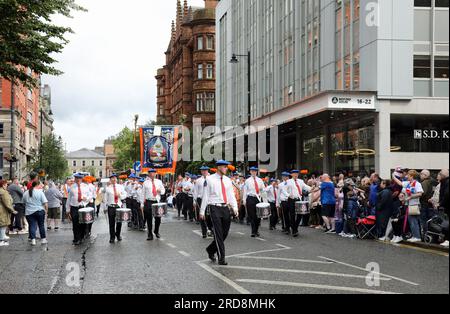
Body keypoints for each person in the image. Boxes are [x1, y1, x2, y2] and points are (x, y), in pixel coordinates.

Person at [200, 160, 238, 266]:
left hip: (225, 208)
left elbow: (231, 195)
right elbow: (206, 196)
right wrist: (202, 211)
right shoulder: (209, 179)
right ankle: (222, 257)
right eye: (225, 167)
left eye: (227, 167)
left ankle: (211, 249)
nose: (226, 169)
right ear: (219, 167)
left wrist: (235, 208)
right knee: (218, 233)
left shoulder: (227, 180)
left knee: (224, 233)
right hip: (214, 207)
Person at [393, 170, 424, 243]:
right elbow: (400, 183)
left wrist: (410, 197)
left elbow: (420, 193)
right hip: (409, 204)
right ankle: (415, 236)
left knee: (413, 221)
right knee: (411, 221)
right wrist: (393, 176)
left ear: (412, 176)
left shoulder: (417, 184)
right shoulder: (409, 183)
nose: (406, 176)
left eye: (408, 175)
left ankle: (417, 237)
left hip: (414, 205)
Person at [141, 169, 166, 241]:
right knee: (149, 219)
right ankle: (150, 234)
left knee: (158, 218)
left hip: (157, 201)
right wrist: (142, 204)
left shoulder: (159, 181)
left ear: (155, 174)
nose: (152, 174)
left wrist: (160, 191)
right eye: (151, 173)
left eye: (154, 173)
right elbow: (143, 194)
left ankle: (156, 231)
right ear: (148, 174)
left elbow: (163, 191)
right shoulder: (145, 183)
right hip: (149, 202)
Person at [103, 174, 127, 244]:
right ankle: (112, 237)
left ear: (116, 179)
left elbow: (125, 195)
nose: (114, 179)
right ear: (110, 180)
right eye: (112, 178)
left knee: (119, 222)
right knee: (111, 223)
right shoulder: (107, 188)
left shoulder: (121, 187)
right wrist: (105, 208)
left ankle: (118, 234)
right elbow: (105, 199)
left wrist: (120, 195)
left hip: (118, 206)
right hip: (111, 207)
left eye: (115, 178)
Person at [67, 173, 91, 246]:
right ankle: (76, 239)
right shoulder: (72, 187)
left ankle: (82, 236)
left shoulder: (86, 186)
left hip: (83, 207)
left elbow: (90, 196)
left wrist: (86, 198)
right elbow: (69, 198)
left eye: (79, 178)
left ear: (82, 179)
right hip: (74, 207)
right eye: (76, 178)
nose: (78, 180)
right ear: (75, 179)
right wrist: (67, 209)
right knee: (75, 224)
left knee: (83, 224)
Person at [286, 170, 311, 237]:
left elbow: (306, 187)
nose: (296, 175)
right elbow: (284, 190)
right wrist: (288, 195)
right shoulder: (288, 181)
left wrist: (312, 188)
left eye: (297, 173)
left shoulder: (300, 181)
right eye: (294, 174)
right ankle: (294, 230)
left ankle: (295, 227)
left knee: (300, 214)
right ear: (291, 174)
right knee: (292, 215)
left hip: (299, 199)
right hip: (291, 199)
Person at [22, 181, 48, 246]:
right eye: (40, 184)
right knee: (41, 225)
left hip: (29, 212)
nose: (41, 186)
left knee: (32, 225)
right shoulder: (40, 192)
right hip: (39, 211)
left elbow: (23, 203)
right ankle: (43, 239)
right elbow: (45, 203)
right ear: (37, 185)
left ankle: (33, 240)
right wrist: (46, 211)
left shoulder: (26, 193)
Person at [243, 167, 265, 238]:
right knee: (252, 216)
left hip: (258, 199)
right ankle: (253, 231)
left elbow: (262, 190)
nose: (254, 172)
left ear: (257, 172)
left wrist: (265, 201)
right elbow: (245, 191)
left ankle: (256, 230)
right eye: (252, 171)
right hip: (250, 198)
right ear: (250, 172)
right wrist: (244, 200)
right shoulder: (247, 181)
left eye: (255, 171)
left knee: (258, 215)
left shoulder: (260, 180)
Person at [194, 166, 212, 238]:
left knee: (210, 216)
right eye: (203, 171)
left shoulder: (211, 179)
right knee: (202, 216)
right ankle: (204, 232)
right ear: (201, 172)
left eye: (205, 170)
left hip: (209, 200)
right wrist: (194, 201)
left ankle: (210, 230)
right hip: (200, 199)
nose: (204, 172)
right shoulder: (198, 180)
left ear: (207, 171)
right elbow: (195, 191)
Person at [0, 180, 18, 247]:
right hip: (2, 211)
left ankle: (2, 237)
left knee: (2, 225)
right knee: (3, 225)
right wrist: (12, 210)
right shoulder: (3, 192)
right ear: (3, 185)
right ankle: (1, 240)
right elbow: (7, 203)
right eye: (6, 184)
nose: (7, 185)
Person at [419, 170, 434, 235]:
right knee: (429, 219)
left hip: (424, 203)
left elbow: (423, 193)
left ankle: (424, 233)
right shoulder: (432, 181)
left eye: (421, 174)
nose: (420, 175)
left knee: (423, 219)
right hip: (430, 204)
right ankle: (429, 233)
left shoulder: (424, 182)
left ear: (425, 175)